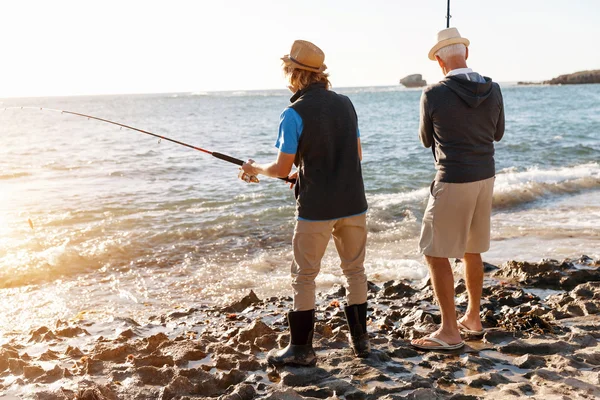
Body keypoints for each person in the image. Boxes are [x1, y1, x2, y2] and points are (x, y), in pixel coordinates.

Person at [240, 39, 370, 365]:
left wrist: (254, 168)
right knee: (354, 271)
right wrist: (304, 172)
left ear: (294, 73)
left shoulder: (293, 113)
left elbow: (282, 168)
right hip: (354, 202)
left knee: (304, 277)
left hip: (317, 209)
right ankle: (362, 345)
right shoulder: (346, 104)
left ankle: (301, 350)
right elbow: (356, 156)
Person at [411, 28, 505, 350]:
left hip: (453, 179)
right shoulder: (493, 89)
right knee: (471, 249)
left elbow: (426, 141)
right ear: (466, 54)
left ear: (439, 60)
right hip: (485, 178)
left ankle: (450, 332)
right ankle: (472, 319)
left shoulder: (433, 93)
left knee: (435, 253)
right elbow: (498, 134)